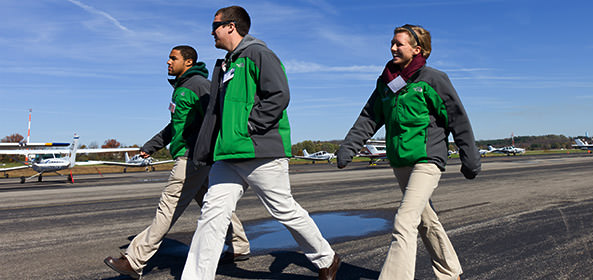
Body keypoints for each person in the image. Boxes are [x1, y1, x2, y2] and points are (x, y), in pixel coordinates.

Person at [181, 6, 340, 280]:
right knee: (212, 216)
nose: (211, 31)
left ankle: (326, 257)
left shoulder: (259, 54)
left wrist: (249, 127)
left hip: (259, 150)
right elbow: (217, 114)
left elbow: (279, 95)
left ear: (231, 26)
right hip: (228, 155)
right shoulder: (225, 65)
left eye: (215, 25)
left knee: (284, 210)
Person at [336, 24, 480, 280]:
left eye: (398, 44)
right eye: (392, 43)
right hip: (401, 161)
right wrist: (349, 147)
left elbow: (457, 118)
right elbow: (369, 117)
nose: (392, 48)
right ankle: (450, 274)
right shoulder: (388, 82)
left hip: (427, 159)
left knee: (404, 221)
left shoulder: (433, 79)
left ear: (417, 49)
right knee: (426, 221)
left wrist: (469, 157)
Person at [104, 46, 251, 279]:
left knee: (168, 207)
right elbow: (175, 127)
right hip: (195, 157)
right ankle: (239, 245)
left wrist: (208, 149)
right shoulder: (182, 88)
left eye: (174, 58)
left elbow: (217, 117)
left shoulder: (199, 86)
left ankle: (135, 259)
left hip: (192, 158)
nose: (168, 62)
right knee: (211, 204)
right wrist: (150, 147)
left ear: (189, 62)